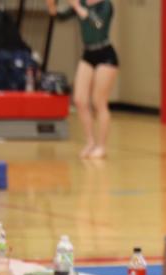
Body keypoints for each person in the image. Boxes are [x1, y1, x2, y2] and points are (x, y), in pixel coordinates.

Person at [47, 0, 118, 159]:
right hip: (88, 54)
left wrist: (77, 7)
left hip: (105, 53)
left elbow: (98, 24)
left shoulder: (105, 5)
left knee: (99, 101)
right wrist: (52, 6)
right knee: (79, 99)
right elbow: (59, 16)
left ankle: (102, 146)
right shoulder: (82, 4)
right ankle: (90, 141)